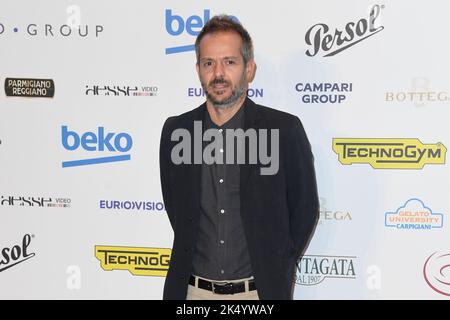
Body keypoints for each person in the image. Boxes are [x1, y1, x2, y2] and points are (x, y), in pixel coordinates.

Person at [159, 15, 319, 300]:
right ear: (198, 69)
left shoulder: (284, 130)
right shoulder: (176, 131)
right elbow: (177, 208)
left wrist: (278, 264)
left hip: (259, 293)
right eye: (209, 63)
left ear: (249, 69)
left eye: (229, 62)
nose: (218, 73)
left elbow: (304, 210)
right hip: (192, 292)